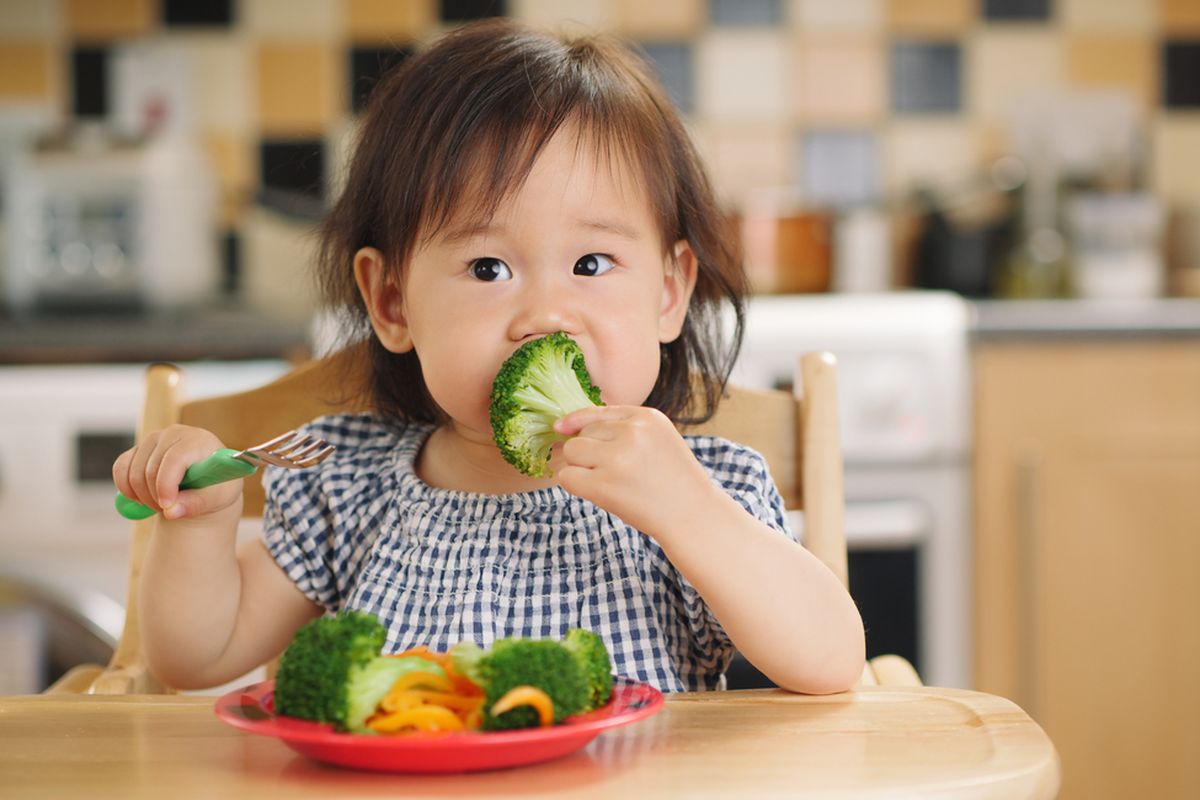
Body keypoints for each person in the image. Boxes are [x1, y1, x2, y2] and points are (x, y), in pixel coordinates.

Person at [113, 19, 864, 695]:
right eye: (487, 269)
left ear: (669, 294)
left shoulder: (706, 489)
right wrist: (200, 526)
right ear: (393, 303)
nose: (544, 316)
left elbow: (831, 662)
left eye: (593, 264)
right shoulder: (350, 484)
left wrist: (690, 513)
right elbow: (196, 658)